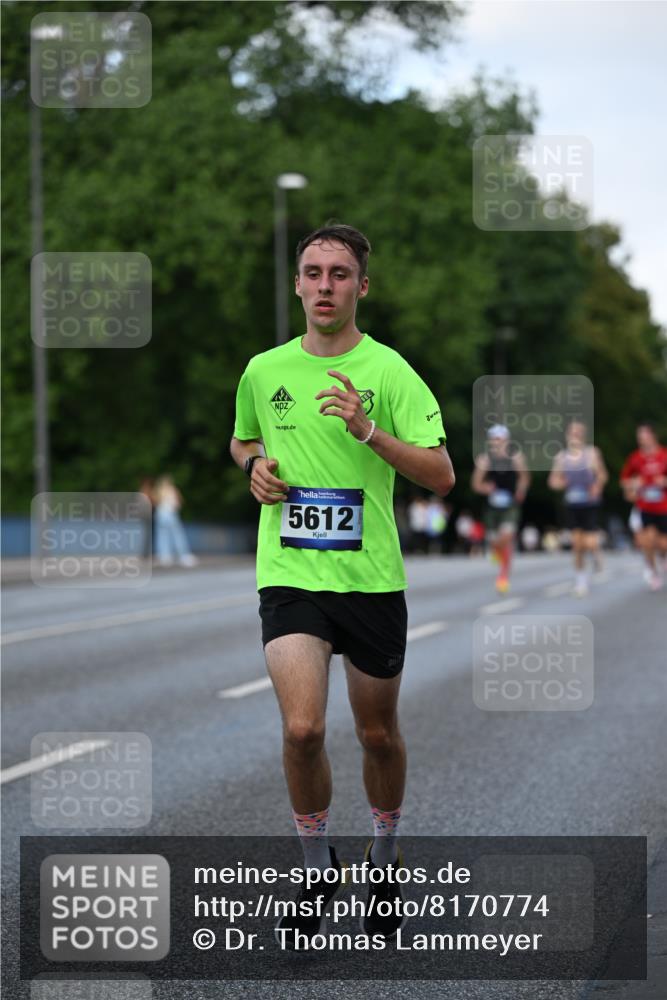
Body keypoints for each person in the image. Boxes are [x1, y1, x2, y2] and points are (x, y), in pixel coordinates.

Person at [229, 222, 454, 948]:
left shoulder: (389, 372)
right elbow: (242, 436)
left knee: (376, 734)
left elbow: (441, 474)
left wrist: (368, 432)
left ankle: (382, 860)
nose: (325, 285)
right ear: (296, 283)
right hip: (291, 574)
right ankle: (314, 864)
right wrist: (252, 465)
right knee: (301, 729)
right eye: (313, 272)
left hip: (370, 582)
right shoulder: (264, 371)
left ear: (362, 286)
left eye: (339, 274)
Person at [548, 421, 608, 596]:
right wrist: (561, 483)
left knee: (588, 542)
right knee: (577, 545)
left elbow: (603, 475)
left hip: (589, 503)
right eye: (573, 432)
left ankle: (596, 554)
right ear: (567, 435)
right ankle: (581, 581)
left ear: (584, 435)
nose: (576, 435)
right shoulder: (561, 457)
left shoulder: (592, 453)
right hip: (572, 504)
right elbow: (552, 481)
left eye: (579, 432)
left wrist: (597, 486)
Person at [471, 424, 530, 592]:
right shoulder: (485, 460)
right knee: (495, 541)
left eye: (500, 439)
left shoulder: (516, 458)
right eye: (494, 439)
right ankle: (496, 551)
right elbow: (476, 485)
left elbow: (524, 478)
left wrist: (521, 490)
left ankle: (503, 577)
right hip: (493, 507)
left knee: (507, 538)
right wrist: (486, 488)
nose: (497, 442)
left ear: (507, 440)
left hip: (510, 505)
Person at [620, 423, 667, 591]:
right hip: (645, 506)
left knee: (662, 545)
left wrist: (664, 482)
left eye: (644, 436)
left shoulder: (664, 455)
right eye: (639, 437)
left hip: (663, 507)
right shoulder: (635, 458)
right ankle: (653, 572)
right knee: (647, 542)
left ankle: (663, 558)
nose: (641, 440)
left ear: (653, 436)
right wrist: (633, 484)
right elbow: (624, 480)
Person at [153, 475, 198, 568]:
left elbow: (155, 501)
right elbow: (179, 501)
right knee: (177, 535)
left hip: (160, 513)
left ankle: (165, 557)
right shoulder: (172, 489)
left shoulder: (158, 490)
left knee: (162, 536)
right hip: (170, 513)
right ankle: (184, 556)